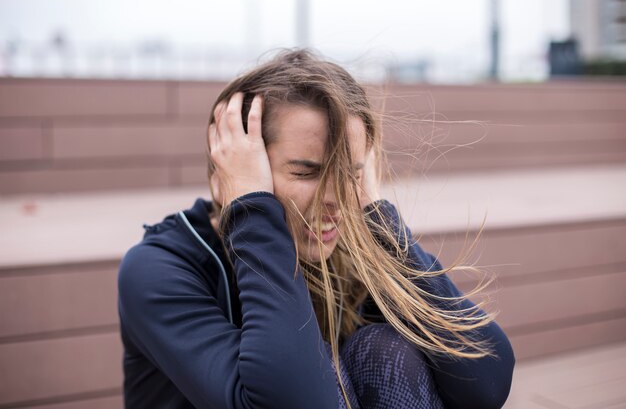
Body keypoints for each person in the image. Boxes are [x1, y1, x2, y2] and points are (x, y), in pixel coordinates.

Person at [118, 49, 515, 409]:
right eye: (307, 172)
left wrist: (379, 217)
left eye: (350, 174)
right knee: (325, 372)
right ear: (231, 170)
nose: (337, 198)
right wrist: (253, 213)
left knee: (383, 350)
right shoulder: (158, 270)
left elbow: (487, 382)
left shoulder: (352, 250)